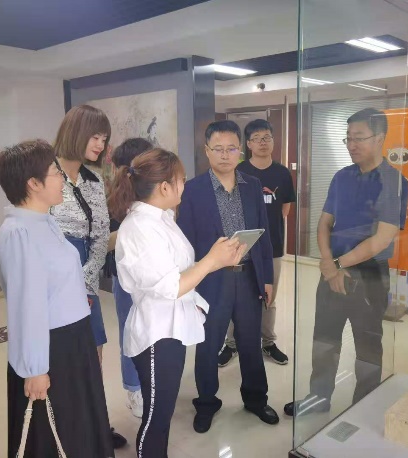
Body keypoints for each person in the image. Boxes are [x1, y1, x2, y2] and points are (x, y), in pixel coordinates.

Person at [109, 148, 245, 457]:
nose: (185, 184)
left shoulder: (163, 218)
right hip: (156, 334)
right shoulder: (140, 228)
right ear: (164, 187)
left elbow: (180, 269)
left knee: (164, 410)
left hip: (171, 329)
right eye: (181, 179)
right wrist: (211, 261)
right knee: (156, 417)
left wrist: (219, 260)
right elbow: (171, 286)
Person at [284, 108, 408, 417]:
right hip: (333, 269)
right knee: (324, 338)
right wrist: (329, 264)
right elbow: (324, 223)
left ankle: (364, 406)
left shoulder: (394, 181)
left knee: (368, 344)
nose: (352, 145)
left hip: (369, 275)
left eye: (359, 138)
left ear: (379, 138)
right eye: (348, 138)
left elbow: (382, 239)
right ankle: (319, 396)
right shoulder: (341, 177)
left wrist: (337, 265)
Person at [0, 140, 113, 457]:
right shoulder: (19, 233)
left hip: (73, 338)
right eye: (55, 172)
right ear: (33, 183)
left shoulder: (45, 221)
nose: (62, 178)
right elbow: (26, 307)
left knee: (78, 423)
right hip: (51, 346)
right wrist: (35, 369)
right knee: (56, 430)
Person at [177, 120, 280, 433]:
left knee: (250, 343)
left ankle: (256, 399)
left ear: (240, 151)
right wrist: (192, 281)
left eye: (231, 148)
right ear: (207, 151)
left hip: (248, 277)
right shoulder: (192, 190)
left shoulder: (252, 185)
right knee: (208, 345)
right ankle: (206, 403)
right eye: (218, 149)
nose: (225, 155)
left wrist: (267, 277)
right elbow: (186, 241)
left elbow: (263, 234)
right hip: (212, 279)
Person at [50, 104, 126, 448]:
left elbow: (100, 237)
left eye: (104, 138)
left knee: (93, 355)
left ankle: (97, 426)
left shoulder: (94, 181)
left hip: (86, 277)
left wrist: (85, 281)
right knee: (61, 359)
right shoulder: (44, 174)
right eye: (95, 136)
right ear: (75, 132)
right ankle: (63, 429)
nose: (100, 144)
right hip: (52, 277)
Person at [219, 119, 296, 367]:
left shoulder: (282, 173)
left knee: (268, 296)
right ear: (249, 144)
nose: (263, 143)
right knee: (237, 295)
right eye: (257, 138)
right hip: (241, 246)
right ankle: (232, 344)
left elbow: (284, 210)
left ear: (273, 140)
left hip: (272, 245)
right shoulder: (239, 171)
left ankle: (268, 342)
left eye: (267, 137)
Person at [104, 137, 154, 418]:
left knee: (154, 330)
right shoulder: (114, 198)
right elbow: (103, 243)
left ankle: (152, 382)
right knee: (130, 331)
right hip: (125, 277)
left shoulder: (155, 193)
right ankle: (134, 389)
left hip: (155, 273)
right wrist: (133, 228)